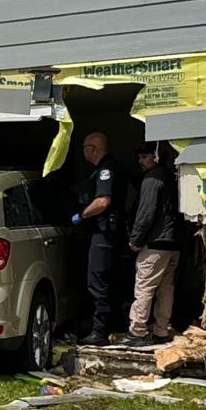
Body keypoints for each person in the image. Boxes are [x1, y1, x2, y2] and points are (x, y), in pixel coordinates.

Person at [121, 142, 180, 347]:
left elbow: (145, 213)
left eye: (144, 157)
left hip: (154, 242)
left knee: (144, 287)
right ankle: (161, 329)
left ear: (155, 157)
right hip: (173, 243)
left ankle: (137, 331)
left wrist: (135, 240)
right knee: (166, 288)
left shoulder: (151, 180)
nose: (140, 161)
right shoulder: (172, 177)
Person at [72, 132, 127, 346]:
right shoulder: (105, 169)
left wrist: (83, 215)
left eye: (85, 147)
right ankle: (109, 327)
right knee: (108, 283)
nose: (83, 151)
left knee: (98, 283)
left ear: (93, 148)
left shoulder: (106, 170)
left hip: (104, 235)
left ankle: (100, 333)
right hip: (109, 235)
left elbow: (102, 202)